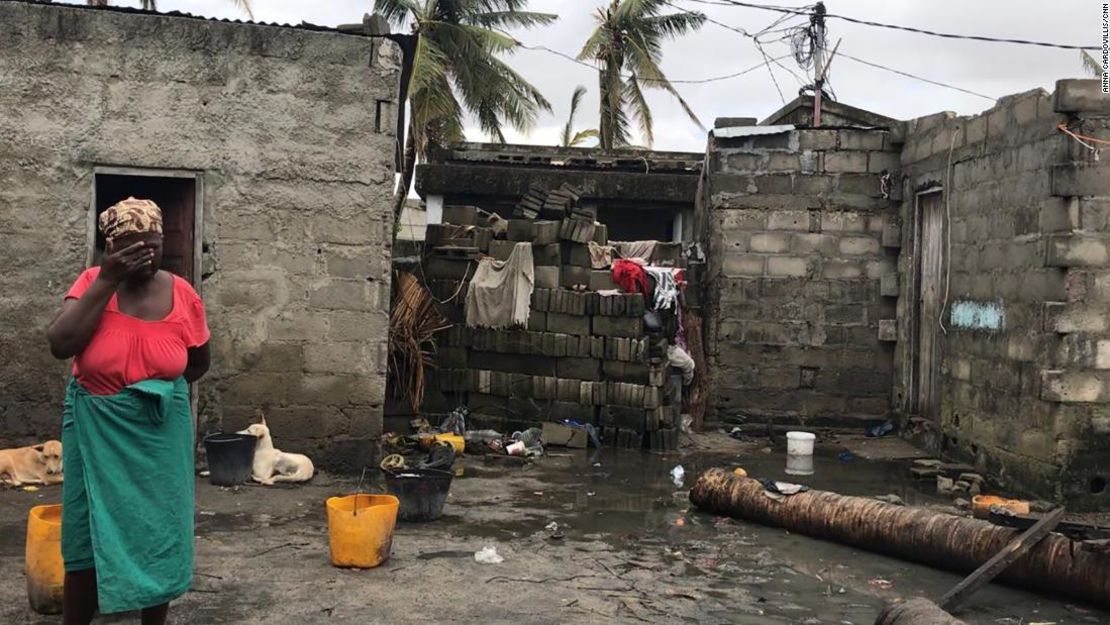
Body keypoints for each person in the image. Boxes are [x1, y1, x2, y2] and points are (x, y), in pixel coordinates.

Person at [46, 197, 211, 625]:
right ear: (111, 247)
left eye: (153, 244)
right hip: (94, 426)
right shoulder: (90, 283)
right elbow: (61, 344)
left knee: (159, 526)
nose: (147, 253)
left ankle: (153, 620)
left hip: (158, 429)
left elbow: (197, 363)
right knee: (84, 528)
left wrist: (149, 395)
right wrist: (107, 280)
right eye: (134, 246)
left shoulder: (183, 294)